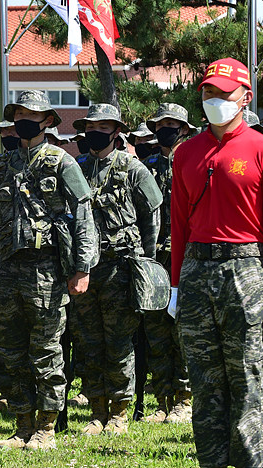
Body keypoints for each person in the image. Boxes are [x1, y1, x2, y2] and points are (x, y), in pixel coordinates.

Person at [170, 58, 263, 468]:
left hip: (246, 271)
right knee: (204, 384)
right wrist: (174, 284)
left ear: (246, 96)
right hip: (196, 270)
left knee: (246, 382)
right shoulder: (186, 152)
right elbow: (179, 224)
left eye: (224, 92)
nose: (215, 100)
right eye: (208, 92)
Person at [0, 90, 97, 449]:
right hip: (6, 270)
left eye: (32, 114)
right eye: (19, 114)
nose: (24, 120)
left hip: (47, 269)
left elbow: (83, 215)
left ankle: (46, 428)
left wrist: (81, 268)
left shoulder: (62, 163)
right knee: (10, 349)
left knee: (46, 350)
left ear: (47, 121)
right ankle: (22, 424)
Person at [73, 103, 162, 436]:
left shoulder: (133, 169)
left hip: (120, 268)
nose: (95, 132)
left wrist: (147, 261)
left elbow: (152, 213)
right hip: (85, 270)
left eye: (102, 126)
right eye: (90, 127)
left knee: (119, 342)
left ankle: (120, 412)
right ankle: (97, 409)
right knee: (89, 342)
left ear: (115, 131)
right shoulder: (77, 167)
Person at [140, 103, 195, 424]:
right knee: (157, 332)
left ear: (184, 129)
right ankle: (162, 399)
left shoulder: (196, 164)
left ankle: (184, 400)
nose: (166, 129)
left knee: (183, 333)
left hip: (187, 259)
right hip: (155, 261)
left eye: (172, 124)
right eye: (161, 124)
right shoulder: (145, 168)